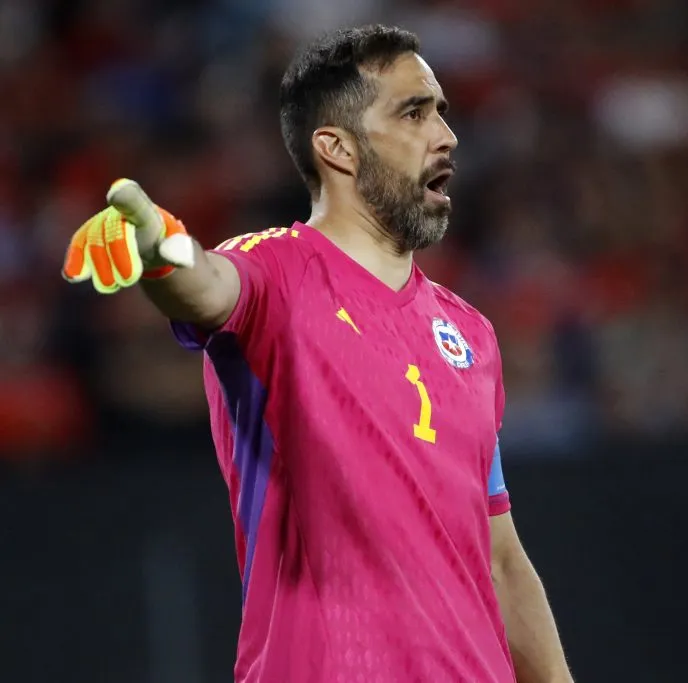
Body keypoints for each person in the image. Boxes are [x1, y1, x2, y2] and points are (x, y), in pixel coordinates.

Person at [62, 24, 573, 683]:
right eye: (414, 112)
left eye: (442, 111)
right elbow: (206, 284)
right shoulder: (277, 271)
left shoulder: (470, 333)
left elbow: (500, 557)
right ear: (337, 148)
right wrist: (158, 246)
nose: (445, 136)